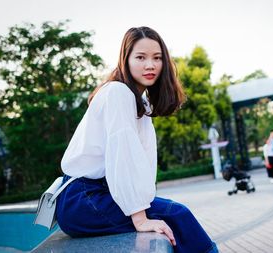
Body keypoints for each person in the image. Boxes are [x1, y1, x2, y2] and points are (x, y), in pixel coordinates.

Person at [56, 27, 218, 253]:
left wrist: (143, 203)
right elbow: (122, 157)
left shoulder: (141, 102)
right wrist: (140, 219)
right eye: (140, 57)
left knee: (175, 215)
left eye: (157, 58)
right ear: (126, 59)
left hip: (99, 195)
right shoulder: (117, 92)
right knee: (177, 216)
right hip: (83, 198)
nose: (150, 65)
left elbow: (142, 164)